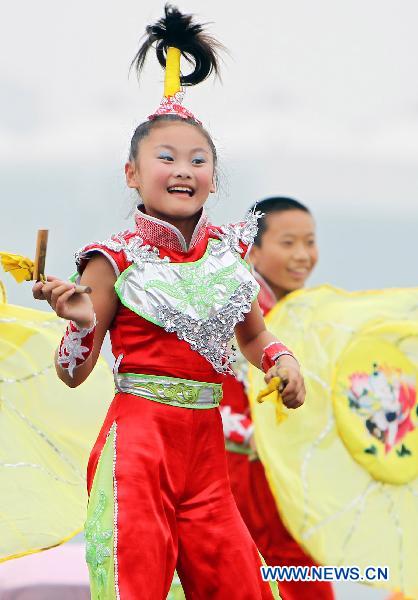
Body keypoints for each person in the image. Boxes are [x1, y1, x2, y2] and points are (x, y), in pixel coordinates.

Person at [32, 8, 305, 600]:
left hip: (208, 461)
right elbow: (72, 372)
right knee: (136, 589)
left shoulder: (230, 255)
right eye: (166, 158)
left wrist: (283, 362)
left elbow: (252, 335)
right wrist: (81, 325)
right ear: (131, 173)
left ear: (213, 174)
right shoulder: (112, 258)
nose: (184, 170)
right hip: (138, 454)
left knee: (245, 588)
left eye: (198, 160)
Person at [220, 196, 335, 600]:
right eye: (288, 243)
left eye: (309, 242)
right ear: (252, 249)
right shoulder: (239, 308)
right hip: (242, 471)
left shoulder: (302, 312)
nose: (302, 255)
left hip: (286, 473)